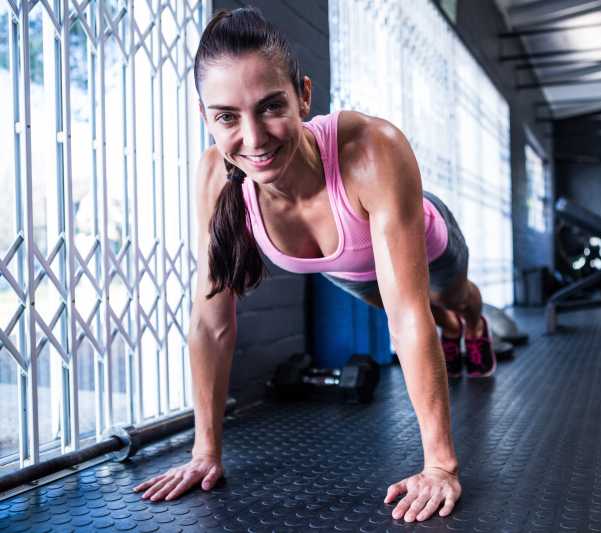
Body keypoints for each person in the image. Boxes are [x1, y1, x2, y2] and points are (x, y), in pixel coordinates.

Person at [132, 6, 497, 523]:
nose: (255, 140)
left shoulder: (372, 149)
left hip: (428, 240)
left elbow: (405, 316)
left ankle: (474, 323)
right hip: (352, 270)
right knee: (419, 311)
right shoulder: (215, 177)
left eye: (271, 106)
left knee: (447, 299)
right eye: (227, 117)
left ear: (304, 94)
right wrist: (204, 453)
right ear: (206, 117)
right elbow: (211, 324)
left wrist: (440, 465)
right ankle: (455, 327)